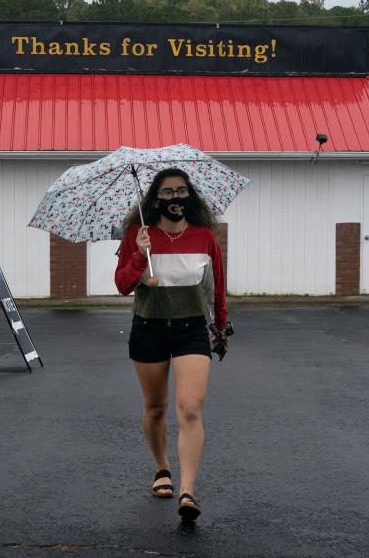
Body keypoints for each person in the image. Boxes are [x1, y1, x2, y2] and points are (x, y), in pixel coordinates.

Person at [114, 168, 228, 522]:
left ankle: (187, 491)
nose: (175, 198)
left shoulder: (204, 236)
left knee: (190, 408)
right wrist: (138, 254)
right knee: (156, 408)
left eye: (181, 191)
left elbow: (217, 288)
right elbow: (122, 284)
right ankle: (162, 467)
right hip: (148, 328)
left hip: (190, 329)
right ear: (155, 199)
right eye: (167, 192)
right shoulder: (138, 233)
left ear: (190, 196)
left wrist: (220, 326)